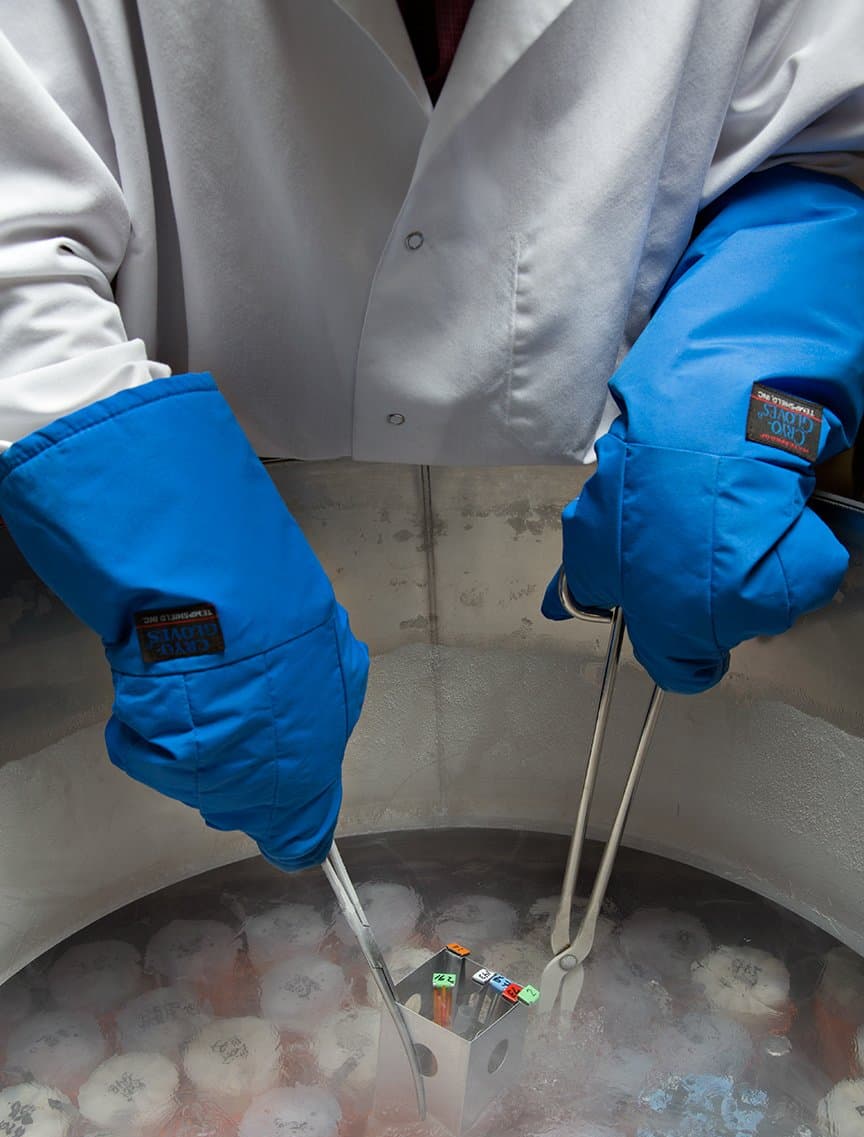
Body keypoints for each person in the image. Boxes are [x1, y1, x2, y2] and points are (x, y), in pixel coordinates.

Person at [0, 2, 861, 871]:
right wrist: (145, 523)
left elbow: (821, 130)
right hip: (215, 478)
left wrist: (762, 333)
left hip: (623, 478)